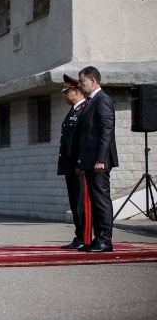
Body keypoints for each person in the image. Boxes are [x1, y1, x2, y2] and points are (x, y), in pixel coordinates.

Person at [75, 66, 119, 253]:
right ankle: (97, 237)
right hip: (90, 161)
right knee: (94, 199)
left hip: (99, 162)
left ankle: (105, 240)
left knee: (101, 200)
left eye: (82, 82)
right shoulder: (90, 102)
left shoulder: (103, 100)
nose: (80, 85)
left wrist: (100, 159)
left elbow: (106, 131)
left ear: (93, 81)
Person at [57, 75, 87, 249]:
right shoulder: (73, 111)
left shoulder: (83, 110)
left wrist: (79, 163)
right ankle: (79, 236)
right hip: (69, 166)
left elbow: (83, 140)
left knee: (80, 203)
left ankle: (84, 237)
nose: (64, 96)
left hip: (78, 167)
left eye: (66, 92)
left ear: (76, 91)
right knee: (74, 202)